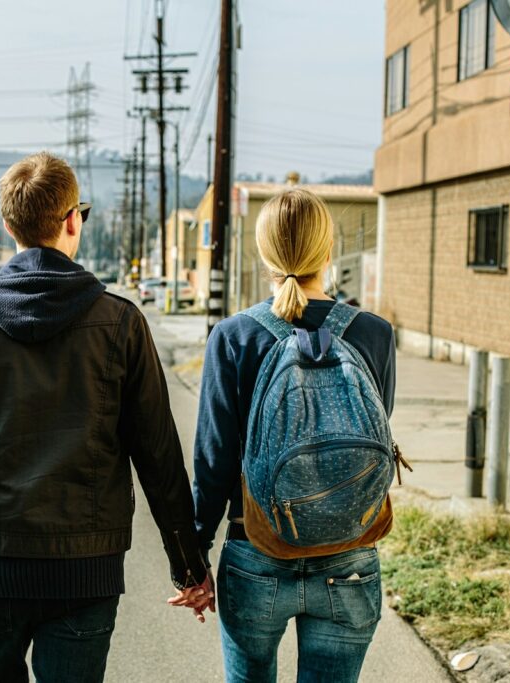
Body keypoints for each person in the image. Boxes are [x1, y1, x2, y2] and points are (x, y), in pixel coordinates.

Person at [0, 152, 210, 683]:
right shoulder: (120, 322)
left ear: (8, 226)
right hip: (84, 571)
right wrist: (188, 563)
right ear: (73, 221)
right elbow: (158, 454)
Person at [185, 188, 397, 682]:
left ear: (265, 256)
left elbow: (214, 462)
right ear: (328, 253)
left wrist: (194, 558)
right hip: (350, 555)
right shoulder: (374, 333)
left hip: (255, 550)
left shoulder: (234, 336)